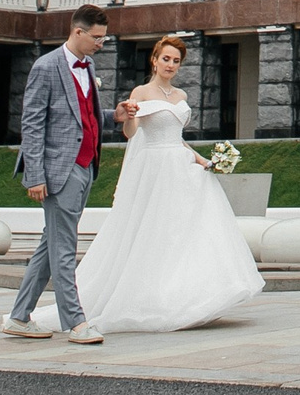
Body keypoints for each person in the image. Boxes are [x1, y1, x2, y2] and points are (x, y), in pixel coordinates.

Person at [29, 34, 262, 335]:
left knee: (184, 235)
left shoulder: (181, 97)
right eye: (166, 59)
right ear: (154, 60)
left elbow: (177, 141)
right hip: (155, 170)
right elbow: (130, 132)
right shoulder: (141, 91)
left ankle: (186, 297)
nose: (170, 65)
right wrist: (129, 114)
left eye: (176, 61)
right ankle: (149, 299)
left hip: (180, 166)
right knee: (156, 232)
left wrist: (205, 161)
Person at [4, 6, 114, 344]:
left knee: (50, 244)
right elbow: (32, 124)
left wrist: (115, 115)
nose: (101, 43)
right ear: (77, 32)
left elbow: (84, 116)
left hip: (85, 167)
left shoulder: (89, 65)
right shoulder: (46, 66)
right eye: (96, 37)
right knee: (64, 248)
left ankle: (19, 317)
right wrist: (35, 175)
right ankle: (76, 324)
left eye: (103, 37)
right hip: (58, 172)